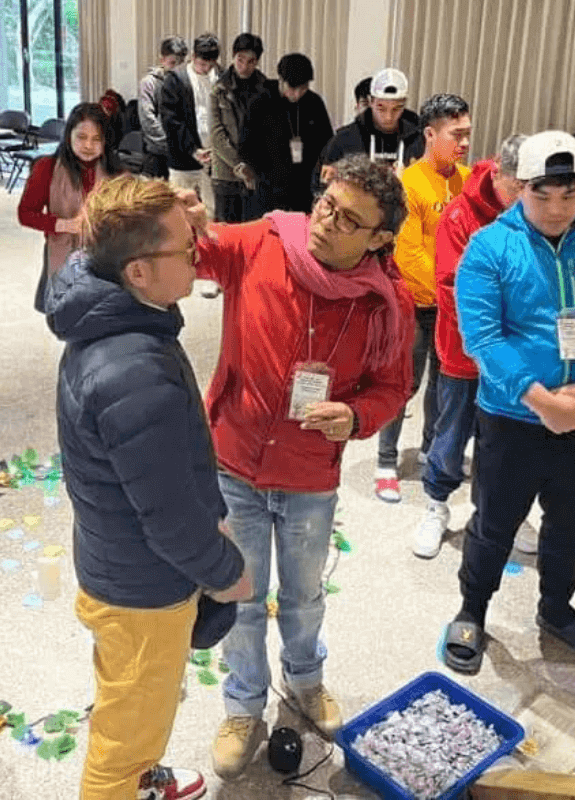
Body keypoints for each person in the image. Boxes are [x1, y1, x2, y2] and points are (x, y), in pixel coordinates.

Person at [193, 154, 413, 779]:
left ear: (379, 239)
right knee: (238, 593)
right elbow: (199, 248)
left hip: (310, 476)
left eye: (349, 222)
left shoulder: (383, 303)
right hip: (233, 461)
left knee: (303, 597)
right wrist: (185, 220)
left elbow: (393, 386)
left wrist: (357, 417)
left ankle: (307, 681)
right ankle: (242, 705)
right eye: (326, 206)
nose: (326, 224)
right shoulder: (265, 241)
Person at [44, 175, 251, 800]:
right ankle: (128, 778)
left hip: (117, 563)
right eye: (184, 249)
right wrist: (226, 572)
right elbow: (167, 516)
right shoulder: (134, 369)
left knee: (129, 698)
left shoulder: (112, 314)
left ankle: (145, 776)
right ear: (137, 271)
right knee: (126, 731)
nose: (196, 255)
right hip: (143, 585)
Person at [445, 131, 575, 675]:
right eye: (543, 194)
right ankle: (472, 609)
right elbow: (483, 339)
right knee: (494, 522)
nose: (557, 208)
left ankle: (557, 610)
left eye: (571, 192)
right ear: (519, 188)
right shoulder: (491, 247)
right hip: (512, 419)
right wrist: (540, 401)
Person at [414, 133, 525, 558]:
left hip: (517, 356)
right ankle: (436, 506)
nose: (526, 199)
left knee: (508, 440)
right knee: (453, 431)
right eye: (519, 188)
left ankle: (503, 514)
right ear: (499, 173)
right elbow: (452, 289)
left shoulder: (536, 216)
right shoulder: (461, 216)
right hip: (465, 353)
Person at [374, 93, 471, 504]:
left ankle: (433, 450)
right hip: (416, 303)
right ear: (431, 134)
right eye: (457, 135)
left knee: (444, 386)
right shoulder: (408, 183)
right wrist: (448, 290)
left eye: (468, 133)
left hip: (454, 306)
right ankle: (385, 459)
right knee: (404, 383)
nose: (465, 142)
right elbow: (408, 252)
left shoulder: (468, 181)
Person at [18, 102, 122, 313]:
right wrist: (63, 224)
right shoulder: (46, 168)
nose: (88, 146)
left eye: (96, 139)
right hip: (62, 254)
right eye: (82, 137)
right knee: (68, 316)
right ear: (68, 136)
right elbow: (25, 214)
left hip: (104, 254)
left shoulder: (115, 172)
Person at [243, 52, 333, 214]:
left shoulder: (314, 103)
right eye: (292, 88)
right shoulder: (260, 103)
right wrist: (265, 175)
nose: (297, 94)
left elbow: (327, 143)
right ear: (281, 81)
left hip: (306, 191)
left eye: (303, 88)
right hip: (270, 191)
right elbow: (246, 146)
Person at [312, 67, 423, 194]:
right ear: (371, 101)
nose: (388, 117)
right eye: (381, 109)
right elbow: (320, 185)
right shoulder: (344, 140)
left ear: (404, 104)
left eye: (396, 109)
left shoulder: (417, 140)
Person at [160, 32, 219, 218]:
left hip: (213, 159)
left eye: (210, 65)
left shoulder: (220, 77)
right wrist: (193, 149)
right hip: (182, 158)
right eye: (202, 64)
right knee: (178, 210)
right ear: (193, 57)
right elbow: (171, 121)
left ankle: (208, 246)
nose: (206, 69)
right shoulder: (175, 79)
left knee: (211, 211)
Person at [209, 33, 267, 222]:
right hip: (226, 173)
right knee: (225, 233)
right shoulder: (219, 88)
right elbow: (216, 134)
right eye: (240, 60)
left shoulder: (265, 88)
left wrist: (252, 167)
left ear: (257, 62)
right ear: (233, 57)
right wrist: (239, 165)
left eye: (251, 62)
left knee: (252, 231)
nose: (244, 66)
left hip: (256, 172)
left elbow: (268, 131)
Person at [139, 35, 188, 180]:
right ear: (162, 60)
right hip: (157, 155)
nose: (176, 68)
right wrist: (170, 143)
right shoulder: (149, 83)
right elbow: (148, 120)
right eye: (172, 63)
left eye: (180, 63)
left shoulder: (184, 83)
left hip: (182, 154)